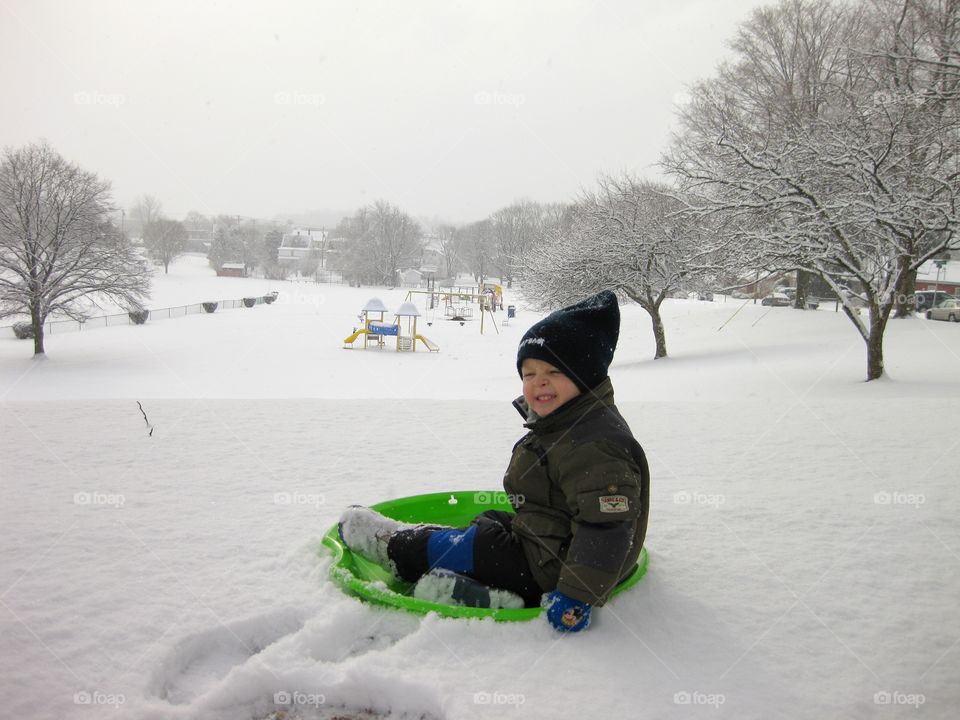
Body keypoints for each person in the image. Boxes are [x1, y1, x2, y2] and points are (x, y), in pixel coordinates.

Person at [339, 290, 649, 632]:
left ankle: (394, 547)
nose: (539, 382)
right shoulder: (568, 421)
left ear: (586, 378)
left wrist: (577, 595)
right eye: (529, 373)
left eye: (554, 371)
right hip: (548, 543)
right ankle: (480, 589)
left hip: (555, 567)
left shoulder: (594, 444)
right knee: (490, 522)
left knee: (482, 544)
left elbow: (606, 527)